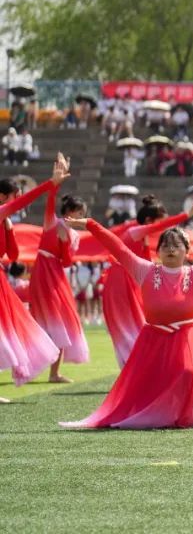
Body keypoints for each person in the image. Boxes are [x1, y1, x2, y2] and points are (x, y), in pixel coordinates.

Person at [60, 218, 193, 429]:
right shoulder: (145, 270)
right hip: (153, 340)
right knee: (148, 384)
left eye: (176, 245)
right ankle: (161, 412)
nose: (170, 249)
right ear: (158, 251)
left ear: (187, 251)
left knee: (190, 372)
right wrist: (91, 225)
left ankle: (187, 412)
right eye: (165, 245)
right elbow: (119, 248)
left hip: (188, 339)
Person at [0, 157, 70, 402]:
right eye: (13, 196)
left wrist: (9, 228)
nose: (17, 200)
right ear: (2, 197)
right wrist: (51, 183)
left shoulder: (4, 219)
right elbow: (23, 202)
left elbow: (13, 255)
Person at [101, 196, 193, 367]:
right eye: (160, 220)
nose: (161, 226)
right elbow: (161, 227)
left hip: (130, 281)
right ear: (149, 220)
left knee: (141, 324)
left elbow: (147, 265)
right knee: (128, 325)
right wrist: (186, 215)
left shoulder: (143, 237)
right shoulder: (135, 231)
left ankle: (139, 365)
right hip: (120, 281)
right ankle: (132, 366)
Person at [29, 166, 88, 384]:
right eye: (79, 213)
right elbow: (49, 201)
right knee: (39, 320)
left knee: (61, 321)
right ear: (69, 212)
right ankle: (27, 366)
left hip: (56, 275)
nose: (81, 218)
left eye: (82, 214)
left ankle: (54, 373)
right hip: (42, 271)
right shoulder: (52, 222)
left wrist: (64, 242)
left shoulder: (74, 235)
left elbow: (67, 261)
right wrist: (55, 184)